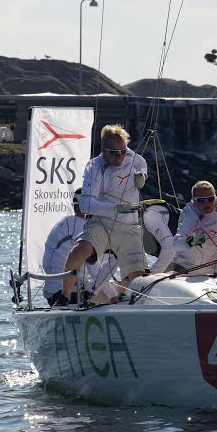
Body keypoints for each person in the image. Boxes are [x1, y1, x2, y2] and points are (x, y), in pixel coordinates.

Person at [57, 124, 148, 306]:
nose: (119, 156)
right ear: (103, 150)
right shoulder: (94, 168)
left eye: (122, 151)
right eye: (113, 153)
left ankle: (131, 305)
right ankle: (64, 297)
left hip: (128, 226)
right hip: (101, 223)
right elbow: (86, 204)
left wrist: (143, 177)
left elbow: (142, 166)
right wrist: (116, 208)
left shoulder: (135, 159)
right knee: (79, 252)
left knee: (138, 277)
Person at [41, 189, 118, 306]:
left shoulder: (65, 222)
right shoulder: (84, 228)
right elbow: (95, 270)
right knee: (112, 294)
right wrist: (114, 296)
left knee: (103, 287)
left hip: (52, 293)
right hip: (67, 295)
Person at [172, 180, 217, 275]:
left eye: (210, 199)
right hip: (187, 268)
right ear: (194, 200)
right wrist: (194, 240)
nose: (207, 203)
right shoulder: (190, 215)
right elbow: (176, 243)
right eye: (201, 200)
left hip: (213, 269)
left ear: (215, 197)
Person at [141, 200, 178, 274]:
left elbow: (170, 246)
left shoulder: (150, 216)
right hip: (171, 254)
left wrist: (151, 275)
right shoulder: (118, 232)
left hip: (193, 234)